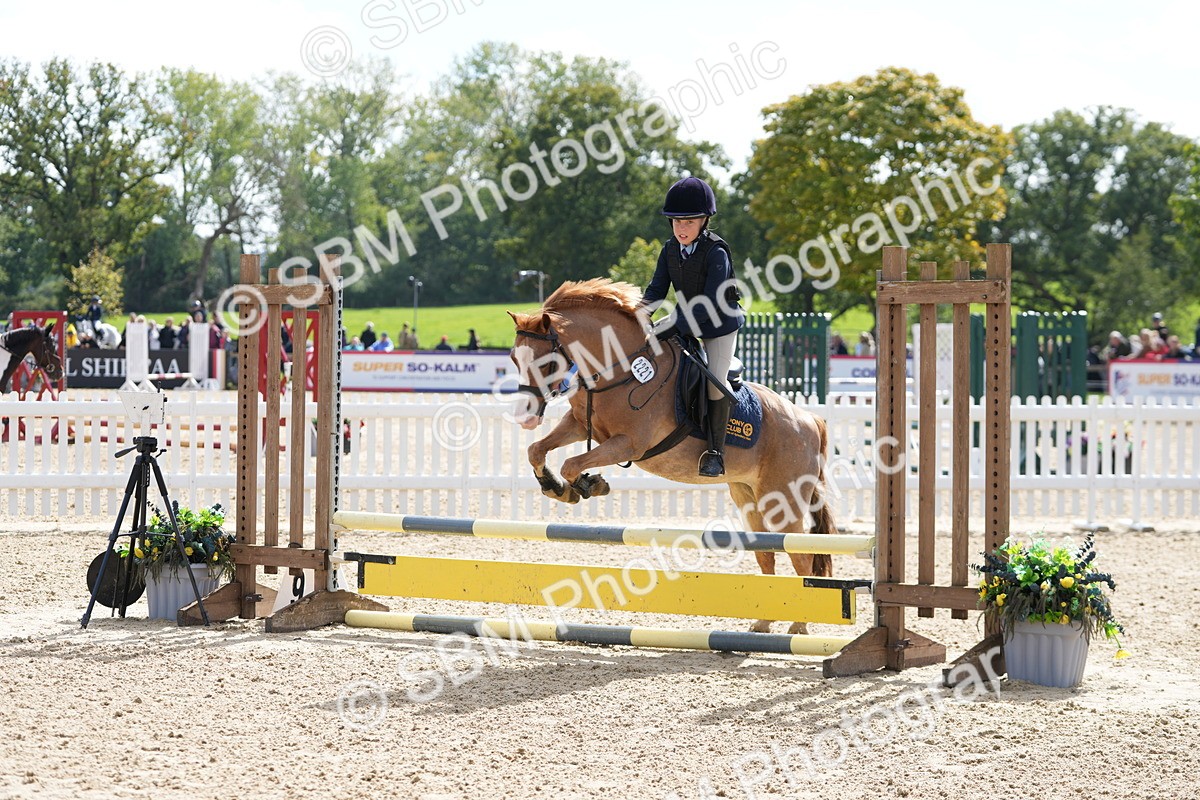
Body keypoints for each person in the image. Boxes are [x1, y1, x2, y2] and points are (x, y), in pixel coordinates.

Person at [642, 176, 743, 477]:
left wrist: (673, 325)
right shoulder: (669, 250)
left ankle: (715, 451)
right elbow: (656, 290)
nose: (682, 229)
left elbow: (710, 303)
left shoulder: (716, 253)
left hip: (719, 324)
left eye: (689, 222)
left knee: (715, 381)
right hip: (687, 317)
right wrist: (636, 316)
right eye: (676, 222)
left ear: (703, 221)